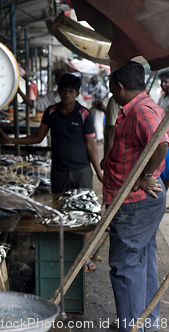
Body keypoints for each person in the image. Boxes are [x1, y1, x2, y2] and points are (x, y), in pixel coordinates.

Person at [1, 73, 103, 272]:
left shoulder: (84, 115)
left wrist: (98, 171)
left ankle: (85, 256)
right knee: (60, 211)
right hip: (58, 171)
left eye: (71, 91)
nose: (66, 94)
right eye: (63, 90)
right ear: (58, 91)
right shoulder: (51, 112)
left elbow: (91, 145)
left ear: (77, 93)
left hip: (81, 170)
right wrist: (12, 141)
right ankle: (62, 251)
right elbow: (38, 137)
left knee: (87, 212)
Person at [104, 61, 168, 332]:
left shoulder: (142, 110)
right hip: (136, 202)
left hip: (133, 204)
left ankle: (132, 328)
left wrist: (144, 175)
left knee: (126, 266)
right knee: (142, 260)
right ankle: (145, 322)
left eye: (112, 88)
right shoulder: (136, 108)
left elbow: (161, 143)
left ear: (119, 86)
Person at [17, 68, 85, 112]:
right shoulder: (51, 102)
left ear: (76, 94)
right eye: (58, 77)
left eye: (70, 91)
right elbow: (33, 104)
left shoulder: (82, 113)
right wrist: (19, 91)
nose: (67, 95)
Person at [156, 70, 169, 211]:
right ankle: (162, 200)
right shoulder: (163, 97)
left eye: (166, 81)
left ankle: (162, 200)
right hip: (164, 138)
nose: (163, 84)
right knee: (163, 173)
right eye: (162, 81)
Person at [89, 76, 108, 144]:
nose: (92, 84)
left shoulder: (98, 86)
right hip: (102, 106)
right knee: (99, 122)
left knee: (96, 122)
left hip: (99, 107)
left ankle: (99, 139)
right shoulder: (102, 86)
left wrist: (88, 85)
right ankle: (100, 138)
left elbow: (90, 92)